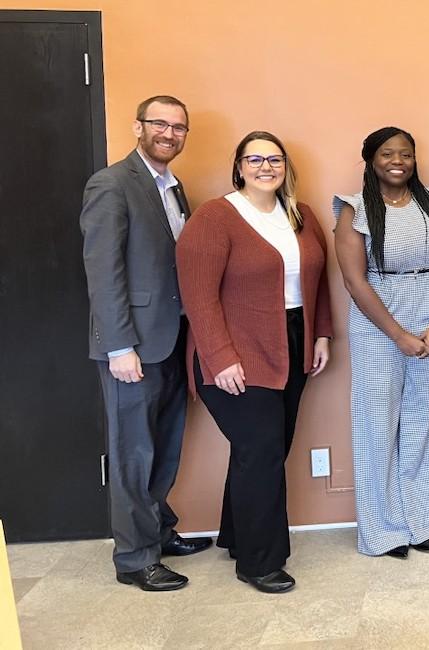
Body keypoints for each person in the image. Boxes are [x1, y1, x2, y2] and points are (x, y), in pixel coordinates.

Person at [177, 131, 333, 592]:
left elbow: (318, 280)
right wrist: (220, 358)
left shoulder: (301, 215)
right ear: (240, 167)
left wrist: (321, 333)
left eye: (275, 158)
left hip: (292, 343)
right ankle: (259, 562)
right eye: (255, 159)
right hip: (234, 350)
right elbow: (198, 296)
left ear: (286, 165)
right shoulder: (215, 217)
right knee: (261, 451)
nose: (266, 166)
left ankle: (236, 535)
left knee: (265, 450)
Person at [80, 95, 211, 592]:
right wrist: (118, 347)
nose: (170, 133)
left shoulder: (176, 189)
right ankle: (135, 559)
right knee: (133, 453)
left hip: (173, 340)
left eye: (179, 127)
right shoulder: (112, 184)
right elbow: (104, 271)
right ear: (138, 127)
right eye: (160, 123)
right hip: (131, 347)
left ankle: (157, 531)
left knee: (165, 447)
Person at [334, 127, 429, 559]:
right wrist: (398, 336)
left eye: (406, 153)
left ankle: (421, 520)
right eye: (387, 153)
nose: (397, 161)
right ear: (371, 159)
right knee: (378, 425)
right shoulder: (355, 210)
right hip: (377, 326)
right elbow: (354, 280)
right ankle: (383, 528)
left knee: (423, 421)